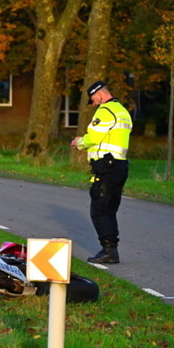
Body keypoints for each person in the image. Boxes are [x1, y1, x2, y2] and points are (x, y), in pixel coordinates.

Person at [71, 80, 132, 264]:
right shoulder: (122, 111)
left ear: (99, 95)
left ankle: (109, 251)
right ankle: (111, 248)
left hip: (107, 166)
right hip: (119, 165)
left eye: (94, 100)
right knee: (110, 209)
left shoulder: (105, 111)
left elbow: (95, 136)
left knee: (99, 209)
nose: (94, 104)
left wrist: (79, 142)